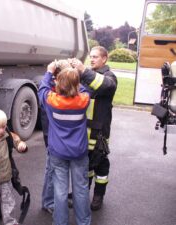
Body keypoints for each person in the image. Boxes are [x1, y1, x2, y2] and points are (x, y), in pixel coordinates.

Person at [38, 62, 91, 225]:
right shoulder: (84, 100)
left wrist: (49, 72)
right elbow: (82, 89)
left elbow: (42, 89)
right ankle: (83, 222)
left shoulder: (51, 100)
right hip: (79, 152)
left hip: (58, 153)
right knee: (81, 189)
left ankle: (60, 222)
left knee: (60, 191)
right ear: (76, 84)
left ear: (58, 83)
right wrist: (74, 74)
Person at [71, 46, 118, 211]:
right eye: (90, 57)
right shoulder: (87, 76)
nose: (91, 59)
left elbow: (105, 86)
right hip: (84, 129)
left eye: (95, 57)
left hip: (100, 132)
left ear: (104, 59)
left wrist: (83, 69)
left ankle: (99, 195)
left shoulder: (109, 76)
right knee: (86, 164)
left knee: (101, 165)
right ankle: (82, 193)